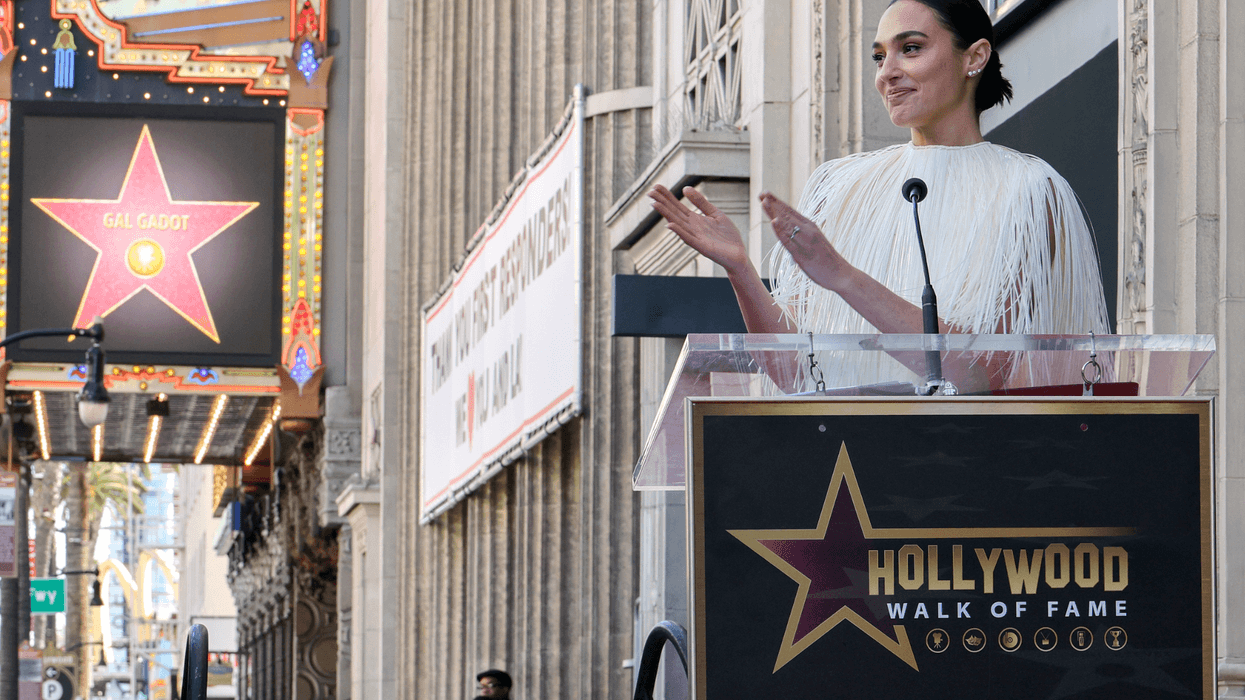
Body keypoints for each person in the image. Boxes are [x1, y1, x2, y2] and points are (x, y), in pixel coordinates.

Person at [649, 0, 1109, 389]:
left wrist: (845, 278)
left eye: (910, 49)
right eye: (878, 57)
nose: (887, 73)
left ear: (975, 57)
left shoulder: (1029, 190)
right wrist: (740, 268)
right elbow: (794, 374)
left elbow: (981, 374)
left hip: (964, 470)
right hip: (846, 465)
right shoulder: (841, 187)